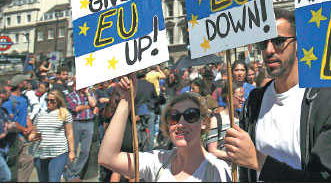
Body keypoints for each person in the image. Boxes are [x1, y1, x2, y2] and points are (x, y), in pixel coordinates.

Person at [224, 7, 331, 181]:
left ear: (298, 43)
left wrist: (259, 161)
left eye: (278, 40)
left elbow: (327, 178)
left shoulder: (325, 99)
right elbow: (245, 171)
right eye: (262, 43)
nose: (269, 50)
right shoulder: (254, 100)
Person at [98, 74, 231, 182]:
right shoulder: (159, 160)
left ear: (204, 122)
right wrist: (126, 100)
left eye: (190, 115)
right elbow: (107, 158)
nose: (181, 123)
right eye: (174, 116)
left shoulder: (217, 170)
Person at [27, 90, 75, 182]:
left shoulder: (65, 114)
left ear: (58, 101)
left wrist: (72, 151)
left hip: (59, 152)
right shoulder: (40, 114)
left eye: (52, 100)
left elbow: (70, 133)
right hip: (40, 152)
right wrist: (32, 138)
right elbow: (32, 133)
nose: (49, 102)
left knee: (53, 180)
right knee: (43, 180)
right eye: (47, 100)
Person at [63, 80, 97, 182]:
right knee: (72, 150)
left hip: (89, 123)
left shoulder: (90, 94)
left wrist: (87, 94)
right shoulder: (71, 96)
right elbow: (76, 108)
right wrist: (88, 107)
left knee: (85, 151)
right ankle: (70, 175)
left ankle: (76, 172)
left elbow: (94, 103)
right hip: (76, 123)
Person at [3, 74, 34, 182]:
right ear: (20, 84)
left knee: (28, 160)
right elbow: (11, 121)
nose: (28, 82)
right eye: (26, 81)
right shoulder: (9, 100)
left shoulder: (24, 98)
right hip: (13, 137)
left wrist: (30, 125)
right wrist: (24, 129)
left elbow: (25, 114)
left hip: (23, 136)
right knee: (12, 164)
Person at [206, 82, 244, 163]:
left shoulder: (243, 118)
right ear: (228, 98)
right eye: (240, 97)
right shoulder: (216, 120)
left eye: (243, 97)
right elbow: (212, 151)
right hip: (224, 170)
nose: (243, 100)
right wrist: (234, 156)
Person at [0, 85, 13, 182]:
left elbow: (10, 123)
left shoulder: (3, 110)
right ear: (2, 95)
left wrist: (10, 126)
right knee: (6, 176)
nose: (10, 94)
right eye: (8, 92)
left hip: (4, 148)